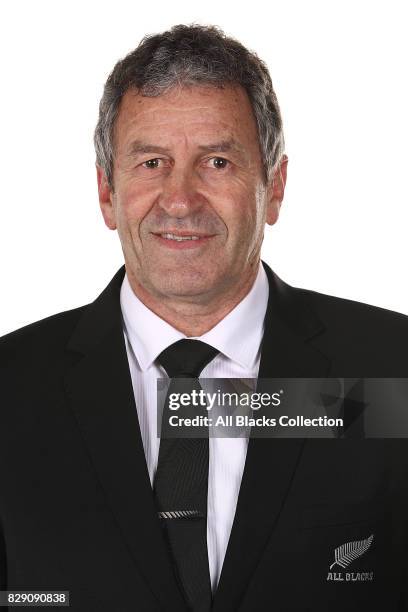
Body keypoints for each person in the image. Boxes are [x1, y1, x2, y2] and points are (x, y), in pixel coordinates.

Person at [1, 23, 408, 612]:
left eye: (217, 161)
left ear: (274, 187)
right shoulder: (8, 388)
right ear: (106, 193)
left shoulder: (392, 371)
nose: (180, 199)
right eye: (151, 162)